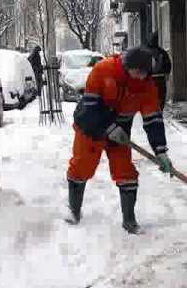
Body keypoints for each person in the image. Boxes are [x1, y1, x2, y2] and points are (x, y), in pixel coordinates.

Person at [65, 46, 173, 235]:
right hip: (90, 127)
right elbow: (90, 108)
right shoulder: (103, 70)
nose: (140, 77)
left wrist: (161, 150)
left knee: (126, 172)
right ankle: (74, 211)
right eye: (137, 72)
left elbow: (153, 120)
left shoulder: (147, 86)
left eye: (144, 73)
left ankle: (129, 221)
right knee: (82, 166)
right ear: (127, 66)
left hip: (120, 132)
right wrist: (108, 128)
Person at [146, 31, 172, 110]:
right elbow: (168, 65)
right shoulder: (162, 52)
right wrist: (167, 74)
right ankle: (159, 113)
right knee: (160, 100)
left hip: (149, 81)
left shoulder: (145, 53)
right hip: (161, 80)